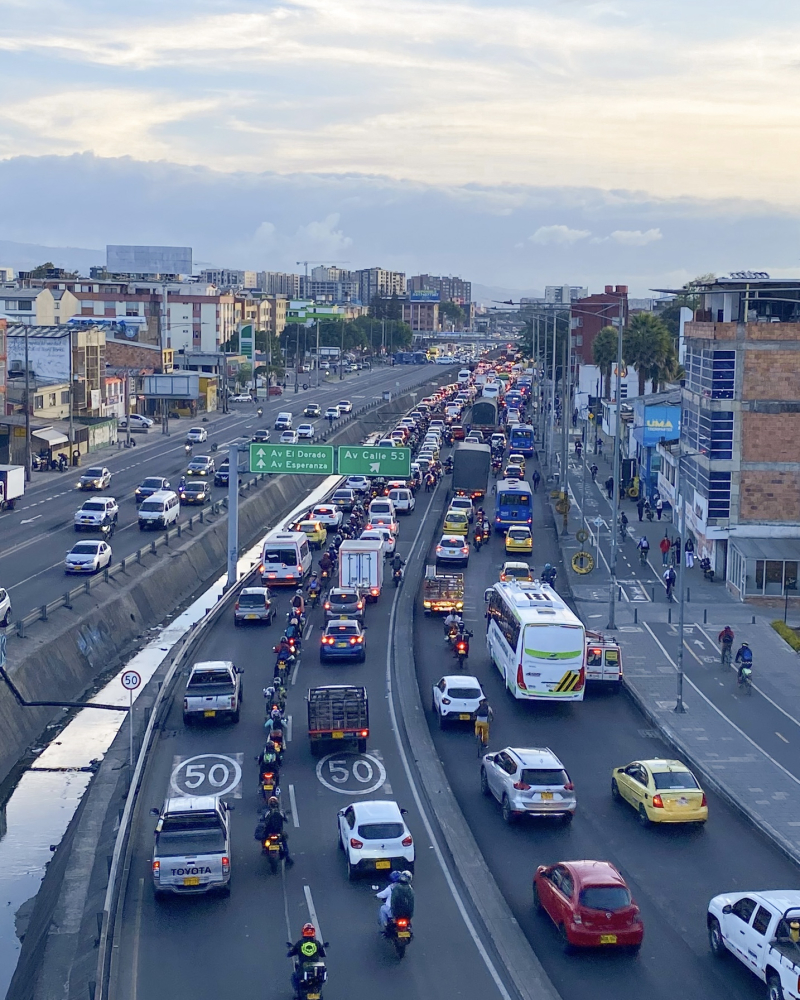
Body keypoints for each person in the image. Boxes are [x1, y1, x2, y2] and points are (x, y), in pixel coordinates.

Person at [287, 923, 326, 993]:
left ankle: (299, 992)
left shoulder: (300, 943)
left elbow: (290, 954)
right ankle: (317, 990)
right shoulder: (317, 943)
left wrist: (291, 950)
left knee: (294, 977)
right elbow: (323, 954)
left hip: (303, 968)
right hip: (315, 970)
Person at [256, 796, 294, 865]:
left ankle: (264, 849)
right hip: (279, 832)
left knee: (263, 838)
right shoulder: (281, 812)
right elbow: (286, 820)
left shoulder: (266, 812)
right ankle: (288, 858)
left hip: (268, 833)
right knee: (284, 842)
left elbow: (261, 820)